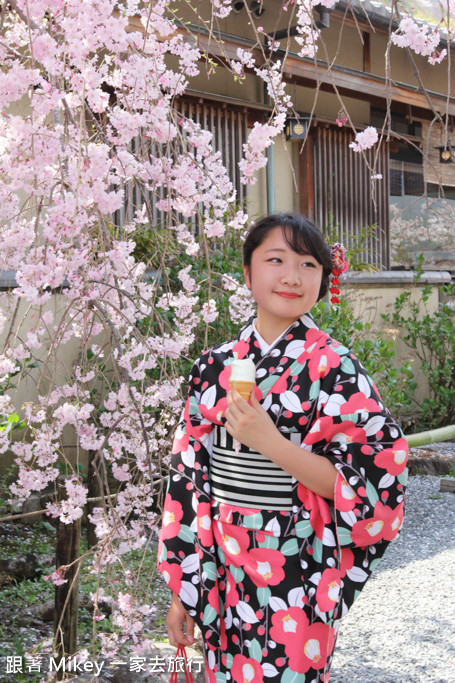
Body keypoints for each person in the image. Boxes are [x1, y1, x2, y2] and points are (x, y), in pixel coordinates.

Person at [157, 213, 408, 682]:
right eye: (276, 260)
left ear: (323, 280)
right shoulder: (212, 367)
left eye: (309, 264)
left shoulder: (338, 368)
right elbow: (189, 481)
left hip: (298, 566)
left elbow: (375, 485)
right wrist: (182, 591)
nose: (293, 276)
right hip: (220, 568)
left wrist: (269, 442)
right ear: (248, 273)